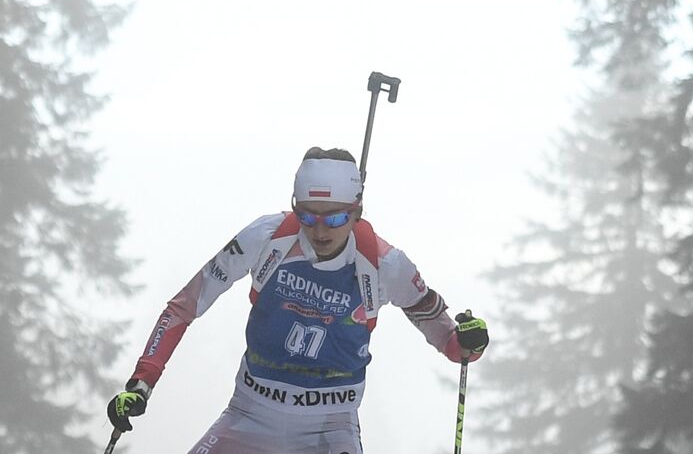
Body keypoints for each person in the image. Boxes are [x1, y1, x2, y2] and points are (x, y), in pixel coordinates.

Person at [105, 147, 489, 454]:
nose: (320, 229)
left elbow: (451, 343)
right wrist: (142, 381)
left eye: (335, 219)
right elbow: (183, 307)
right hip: (250, 414)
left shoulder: (385, 263)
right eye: (308, 216)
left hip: (330, 427)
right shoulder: (266, 237)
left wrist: (468, 341)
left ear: (357, 211)